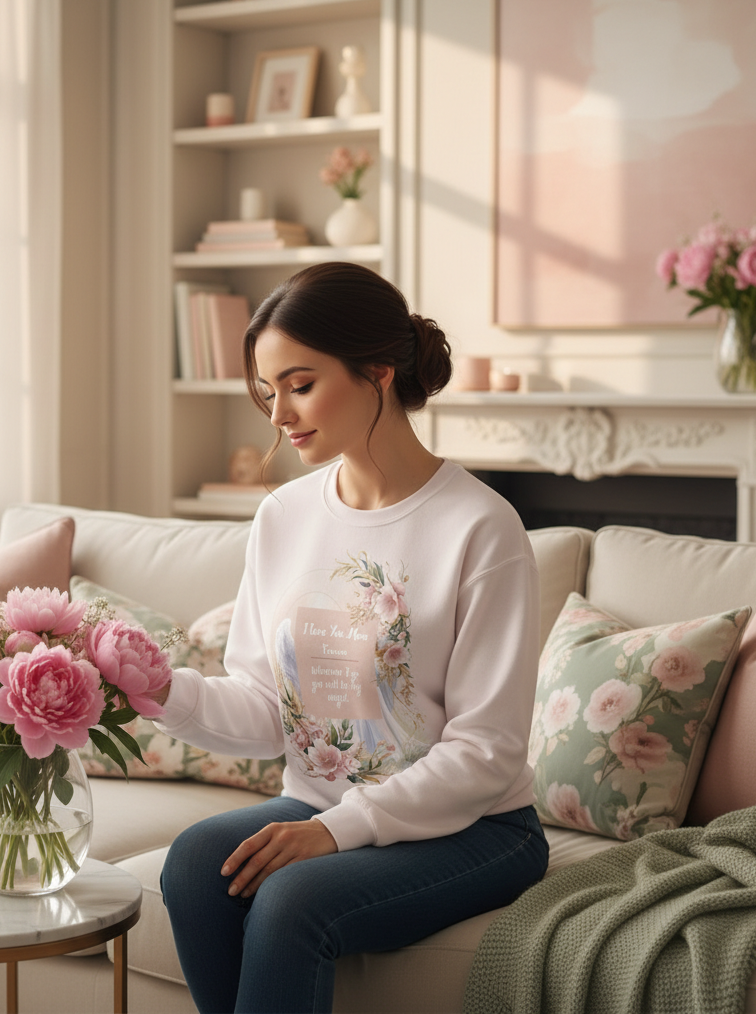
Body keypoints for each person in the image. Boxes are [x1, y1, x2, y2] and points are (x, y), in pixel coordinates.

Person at [156, 262, 548, 1014]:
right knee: (195, 862)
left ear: (378, 371)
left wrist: (337, 832)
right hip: (321, 808)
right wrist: (158, 690)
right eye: (268, 392)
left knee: (291, 901)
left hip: (480, 828)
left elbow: (487, 751)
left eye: (300, 385)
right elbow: (267, 710)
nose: (279, 414)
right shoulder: (283, 516)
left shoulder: (481, 526)